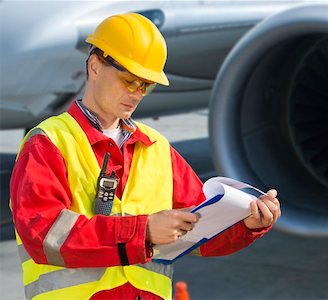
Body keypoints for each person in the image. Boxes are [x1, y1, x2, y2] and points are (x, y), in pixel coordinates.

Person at [10, 13, 281, 300]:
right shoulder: (48, 143)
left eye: (145, 85)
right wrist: (144, 231)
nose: (137, 94)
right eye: (129, 80)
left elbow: (200, 234)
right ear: (95, 66)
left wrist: (247, 225)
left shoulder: (156, 148)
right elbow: (43, 236)